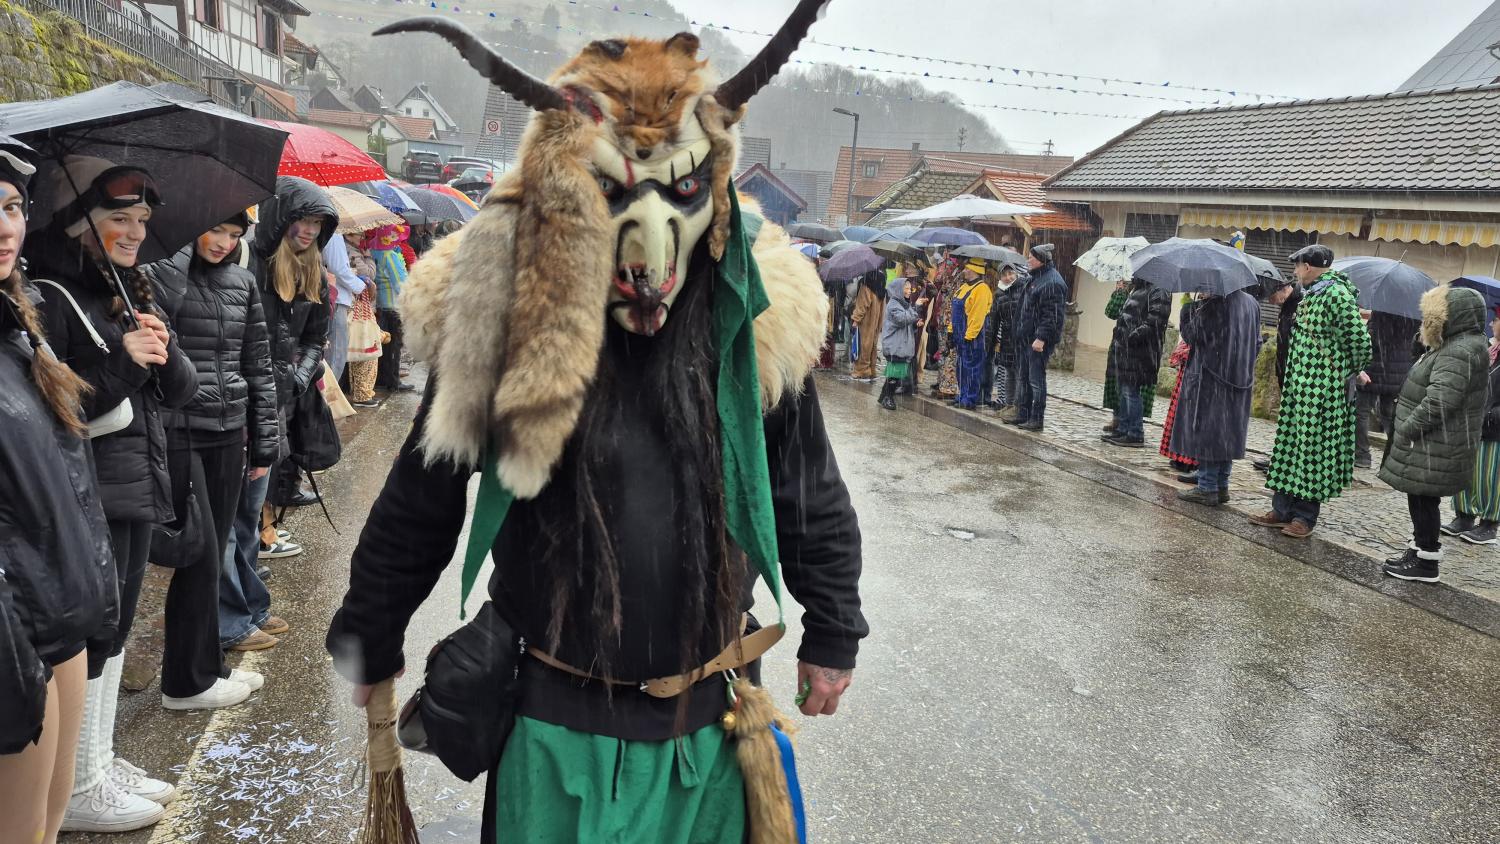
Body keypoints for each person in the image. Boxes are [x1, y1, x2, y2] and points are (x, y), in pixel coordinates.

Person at [327, 21, 864, 838]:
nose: (648, 252)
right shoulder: (505, 320)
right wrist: (371, 629)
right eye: (610, 192)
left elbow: (805, 490)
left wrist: (833, 628)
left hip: (709, 727)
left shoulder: (754, 324)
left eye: (680, 190)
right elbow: (422, 495)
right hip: (554, 728)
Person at [24, 156, 201, 832]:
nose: (135, 232)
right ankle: (79, 785)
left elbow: (180, 392)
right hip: (91, 491)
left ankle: (97, 760)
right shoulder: (50, 296)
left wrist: (163, 349)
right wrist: (124, 360)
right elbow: (60, 408)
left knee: (119, 626)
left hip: (135, 482)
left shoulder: (129, 290)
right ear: (80, 223)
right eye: (118, 219)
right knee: (94, 634)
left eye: (142, 220)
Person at [0, 134, 119, 844]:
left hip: (61, 617)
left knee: (48, 823)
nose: (4, 226)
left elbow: (66, 475)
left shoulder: (21, 332)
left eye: (11, 207)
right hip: (15, 637)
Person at [149, 215, 282, 679]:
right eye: (216, 230)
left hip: (229, 433)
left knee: (213, 554)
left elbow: (258, 364)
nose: (225, 242)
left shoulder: (242, 282)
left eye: (235, 235)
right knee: (200, 553)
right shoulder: (163, 275)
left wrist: (265, 444)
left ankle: (205, 667)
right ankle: (191, 675)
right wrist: (180, 254)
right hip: (180, 430)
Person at [225, 176, 336, 652]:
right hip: (240, 406)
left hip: (276, 410)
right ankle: (234, 618)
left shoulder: (315, 275)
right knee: (232, 520)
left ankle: (251, 609)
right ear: (281, 219)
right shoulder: (250, 263)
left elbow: (315, 339)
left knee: (251, 515)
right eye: (301, 219)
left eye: (316, 224)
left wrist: (295, 377)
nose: (308, 230)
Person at [1254, 245, 1371, 539]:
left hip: (1321, 392)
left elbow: (1360, 342)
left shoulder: (1336, 295)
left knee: (1312, 453)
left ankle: (1304, 516)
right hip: (1298, 388)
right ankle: (1281, 510)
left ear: (1307, 266)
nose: (1294, 272)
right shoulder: (1311, 293)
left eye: (1297, 266)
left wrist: (1342, 372)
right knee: (1289, 449)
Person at [1378, 286, 1491, 582]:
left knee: (1424, 499)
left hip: (1436, 442)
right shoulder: (1455, 344)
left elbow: (1440, 400)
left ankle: (1426, 562)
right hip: (1432, 442)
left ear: (1452, 317)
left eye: (1432, 318)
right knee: (1419, 497)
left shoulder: (1461, 350)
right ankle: (1419, 550)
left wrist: (1407, 427)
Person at [1170, 288, 1261, 504]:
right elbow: (1257, 343)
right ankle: (1221, 485)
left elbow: (1194, 336)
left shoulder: (1217, 304)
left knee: (1209, 431)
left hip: (1212, 379)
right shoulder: (1251, 303)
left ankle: (1207, 486)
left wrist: (1188, 310)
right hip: (1239, 379)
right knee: (1226, 434)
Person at [1444, 305, 1500, 545]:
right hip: (1472, 423)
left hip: (1494, 428)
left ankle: (1489, 524)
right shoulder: (1490, 351)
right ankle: (1464, 516)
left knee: (1490, 477)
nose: (1492, 324)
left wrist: (1491, 414)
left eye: (1496, 320)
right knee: (1465, 471)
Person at [1103, 277, 1171, 448]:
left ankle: (1135, 433)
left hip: (1140, 351)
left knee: (1131, 392)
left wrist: (1133, 336)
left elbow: (1155, 321)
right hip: (1126, 350)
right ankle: (1123, 428)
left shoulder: (1159, 290)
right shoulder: (1139, 288)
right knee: (1124, 390)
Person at [1008, 243, 1068, 432]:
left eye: (1031, 258)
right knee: (1024, 377)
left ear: (1040, 260)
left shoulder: (1052, 282)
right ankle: (1023, 414)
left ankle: (1036, 418)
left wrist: (1041, 337)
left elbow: (1052, 315)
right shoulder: (1035, 278)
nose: (1028, 260)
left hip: (1037, 340)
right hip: (1026, 337)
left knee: (1036, 380)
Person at [1354, 309, 1421, 469]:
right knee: (1391, 415)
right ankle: (1394, 456)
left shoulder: (1381, 311)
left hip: (1375, 371)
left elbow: (1373, 340)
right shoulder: (1413, 313)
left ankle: (1362, 455)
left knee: (1361, 412)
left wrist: (1368, 329)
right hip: (1399, 374)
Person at [1252, 278, 1303, 472]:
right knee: (1286, 420)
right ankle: (1280, 459)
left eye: (1272, 296)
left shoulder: (1300, 304)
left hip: (1297, 372)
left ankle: (1285, 463)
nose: (1271, 302)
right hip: (1286, 370)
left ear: (1284, 288)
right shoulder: (1287, 305)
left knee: (1293, 421)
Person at [366, 225, 412, 393]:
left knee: (383, 344)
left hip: (379, 305)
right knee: (394, 346)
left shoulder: (373, 251)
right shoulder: (390, 255)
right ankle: (393, 381)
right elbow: (400, 283)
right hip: (394, 306)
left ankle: (381, 378)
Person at [322, 227, 369, 385]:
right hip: (336, 298)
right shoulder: (333, 233)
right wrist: (360, 286)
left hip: (333, 296)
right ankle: (328, 396)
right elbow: (339, 269)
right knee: (336, 354)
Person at [952, 258, 992, 410]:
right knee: (961, 368)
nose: (965, 271)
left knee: (972, 368)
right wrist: (950, 331)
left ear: (976, 270)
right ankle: (962, 395)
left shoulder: (982, 289)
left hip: (973, 337)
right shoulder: (963, 287)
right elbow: (955, 312)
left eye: (967, 268)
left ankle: (969, 399)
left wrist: (969, 336)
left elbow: (977, 316)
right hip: (960, 335)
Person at [878, 276, 923, 410]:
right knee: (895, 373)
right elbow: (901, 319)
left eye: (910, 288)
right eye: (906, 288)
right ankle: (888, 397)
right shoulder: (893, 305)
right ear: (898, 290)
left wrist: (915, 323)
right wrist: (916, 308)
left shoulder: (903, 303)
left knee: (895, 372)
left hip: (900, 345)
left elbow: (908, 320)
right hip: (895, 345)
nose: (909, 291)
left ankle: (883, 396)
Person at [849, 268, 885, 381]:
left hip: (866, 321)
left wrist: (855, 320)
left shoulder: (866, 284)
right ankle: (871, 369)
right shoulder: (881, 282)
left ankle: (861, 370)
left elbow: (862, 305)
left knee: (863, 345)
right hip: (876, 321)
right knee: (872, 344)